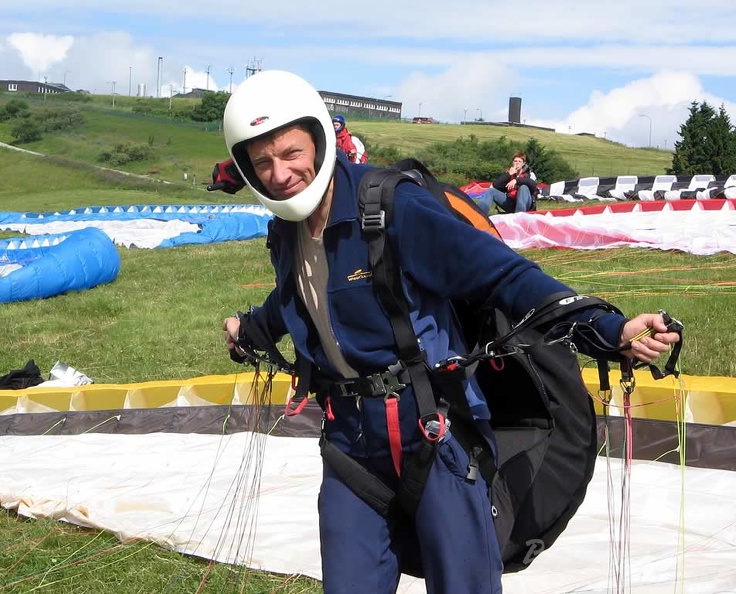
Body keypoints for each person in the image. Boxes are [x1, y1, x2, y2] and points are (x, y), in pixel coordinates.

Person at [220, 70, 680, 594]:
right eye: (262, 162)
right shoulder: (286, 233)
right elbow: (296, 298)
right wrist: (249, 331)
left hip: (434, 433)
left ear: (321, 141)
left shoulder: (390, 208)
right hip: (350, 444)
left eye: (291, 153)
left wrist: (607, 326)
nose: (281, 173)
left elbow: (503, 274)